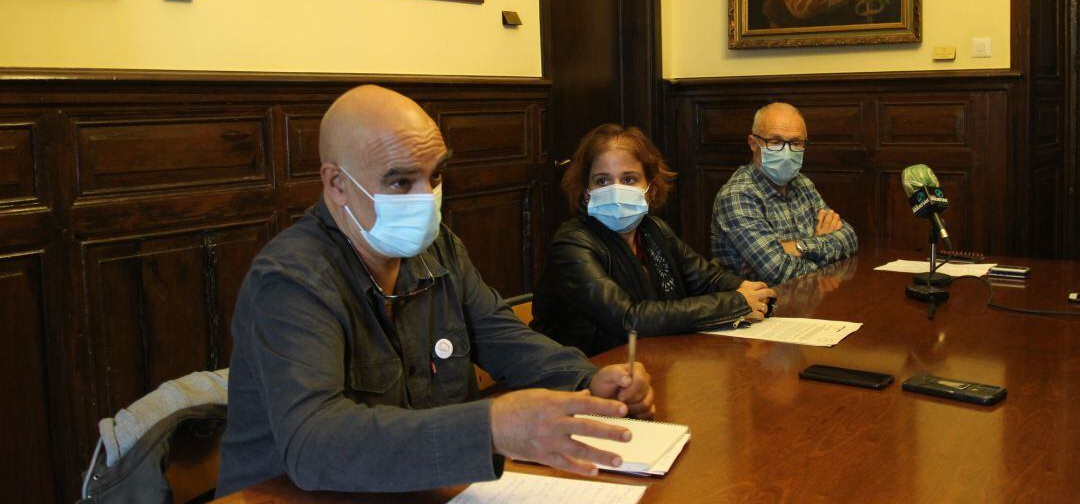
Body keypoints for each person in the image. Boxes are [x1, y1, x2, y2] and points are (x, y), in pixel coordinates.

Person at [217, 86, 655, 496]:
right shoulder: (291, 279)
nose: (427, 199)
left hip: (420, 490)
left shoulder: (437, 246)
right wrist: (490, 428)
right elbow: (313, 443)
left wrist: (589, 381)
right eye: (400, 182)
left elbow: (503, 336)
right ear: (337, 184)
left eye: (435, 175)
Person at [532, 124, 776, 357]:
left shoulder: (654, 229)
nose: (616, 190)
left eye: (629, 179)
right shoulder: (572, 244)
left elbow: (708, 280)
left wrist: (754, 293)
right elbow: (629, 318)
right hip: (578, 377)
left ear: (652, 188)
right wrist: (735, 304)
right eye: (602, 181)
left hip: (647, 360)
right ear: (586, 192)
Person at [711, 102, 857, 285]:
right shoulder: (737, 195)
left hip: (810, 300)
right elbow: (779, 272)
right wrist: (823, 248)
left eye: (796, 143)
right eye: (775, 142)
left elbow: (850, 238)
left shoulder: (802, 184)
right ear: (753, 143)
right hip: (760, 309)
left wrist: (799, 246)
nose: (786, 152)